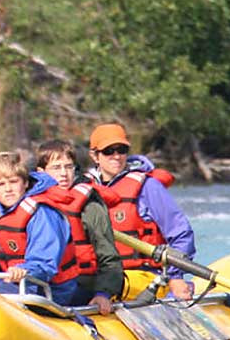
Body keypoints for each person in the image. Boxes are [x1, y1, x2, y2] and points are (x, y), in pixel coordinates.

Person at [84, 123, 196, 300]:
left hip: (142, 276)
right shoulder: (83, 189)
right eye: (108, 151)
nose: (116, 156)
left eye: (121, 150)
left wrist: (176, 276)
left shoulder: (148, 187)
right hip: (98, 276)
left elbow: (181, 233)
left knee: (109, 285)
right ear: (95, 155)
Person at [0, 151, 79, 306]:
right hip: (14, 283)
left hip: (50, 288)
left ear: (25, 183)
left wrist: (24, 270)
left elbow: (44, 263)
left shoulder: (42, 212)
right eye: (1, 184)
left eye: (13, 182)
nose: (8, 189)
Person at [35, 140, 124, 313]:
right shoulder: (31, 202)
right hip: (41, 284)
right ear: (41, 172)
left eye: (69, 167)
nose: (64, 174)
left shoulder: (90, 206)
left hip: (80, 286)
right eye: (56, 168)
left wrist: (103, 293)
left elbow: (108, 256)